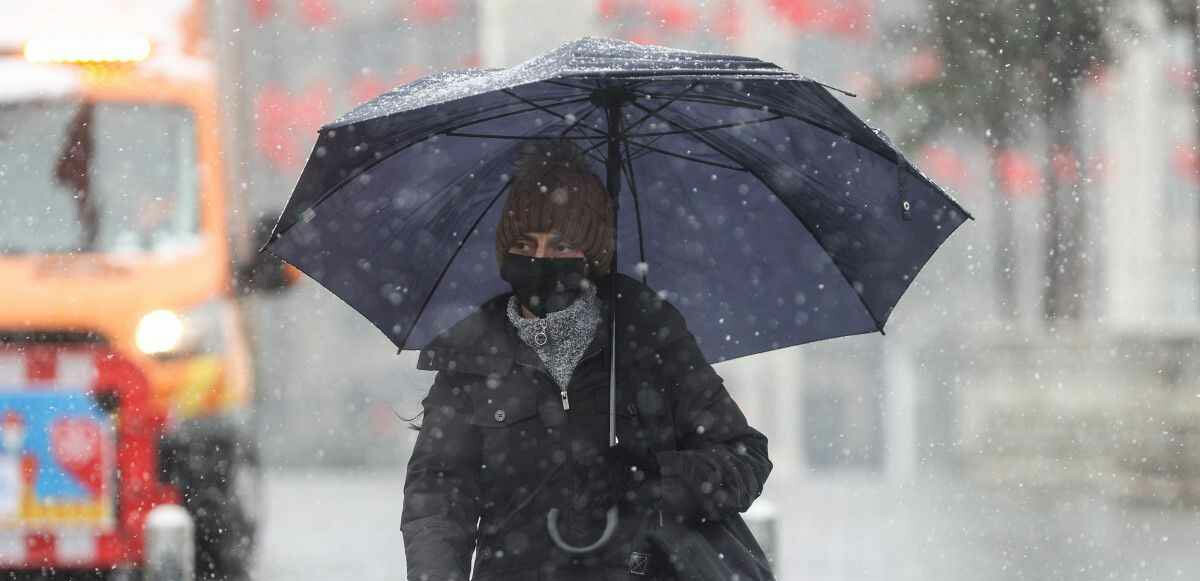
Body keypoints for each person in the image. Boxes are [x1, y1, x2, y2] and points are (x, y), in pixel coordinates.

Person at [401, 139, 772, 581]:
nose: (540, 259)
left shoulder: (648, 334)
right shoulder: (472, 353)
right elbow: (438, 495)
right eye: (526, 242)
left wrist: (651, 477)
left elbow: (744, 457)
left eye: (560, 246)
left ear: (590, 255)